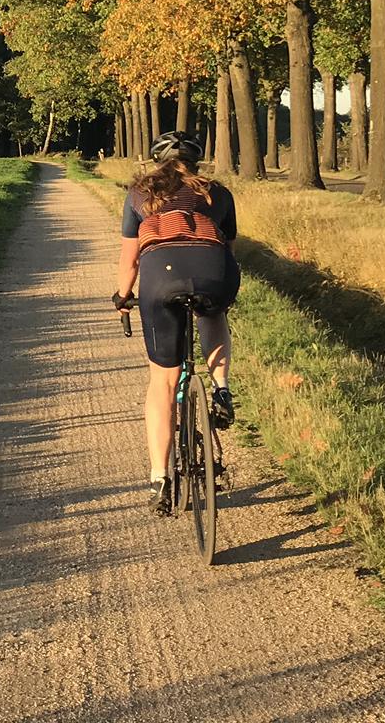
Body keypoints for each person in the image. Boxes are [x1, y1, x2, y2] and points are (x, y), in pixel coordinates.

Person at [113, 130, 240, 516]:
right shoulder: (217, 194)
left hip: (160, 280)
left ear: (157, 162)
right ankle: (221, 389)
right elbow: (229, 249)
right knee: (213, 313)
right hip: (213, 273)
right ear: (196, 162)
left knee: (162, 383)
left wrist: (122, 298)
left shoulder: (139, 194)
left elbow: (130, 261)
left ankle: (160, 480)